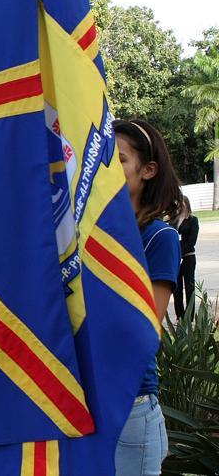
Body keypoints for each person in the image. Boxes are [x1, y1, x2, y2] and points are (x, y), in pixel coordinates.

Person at [113, 119, 183, 476]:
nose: (109, 168)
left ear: (148, 170)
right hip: (88, 401)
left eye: (120, 159)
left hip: (131, 404)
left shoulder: (159, 239)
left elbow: (144, 331)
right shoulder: (93, 237)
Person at [171, 195, 199, 320]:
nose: (180, 206)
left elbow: (192, 241)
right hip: (177, 259)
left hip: (188, 257)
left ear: (187, 204)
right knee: (177, 289)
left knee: (189, 288)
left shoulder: (193, 220)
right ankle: (180, 315)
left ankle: (190, 316)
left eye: (182, 204)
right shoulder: (174, 221)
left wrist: (181, 253)